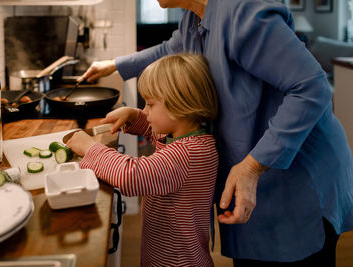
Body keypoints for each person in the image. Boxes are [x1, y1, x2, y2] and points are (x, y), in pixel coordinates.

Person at [77, 0, 353, 266]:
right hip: (256, 184)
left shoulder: (244, 14)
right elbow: (168, 50)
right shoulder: (193, 19)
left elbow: (311, 88)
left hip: (296, 179)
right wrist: (114, 64)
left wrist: (252, 166)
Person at [67, 53, 219, 266]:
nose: (145, 111)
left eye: (149, 104)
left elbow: (132, 176)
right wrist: (133, 115)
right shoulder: (182, 133)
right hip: (161, 251)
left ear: (178, 106)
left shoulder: (188, 154)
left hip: (177, 261)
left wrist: (90, 148)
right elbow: (155, 130)